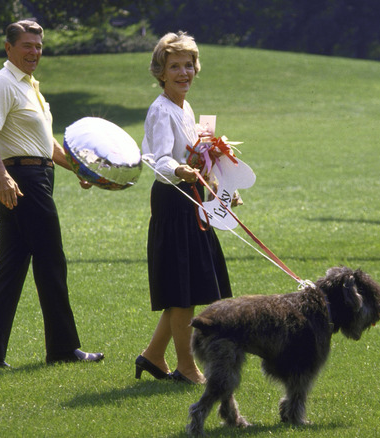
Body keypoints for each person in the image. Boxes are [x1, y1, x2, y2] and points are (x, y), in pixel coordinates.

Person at [0, 20, 104, 370]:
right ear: (8, 48)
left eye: (39, 47)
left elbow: (48, 146)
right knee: (51, 261)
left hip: (34, 176)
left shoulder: (31, 87)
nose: (34, 53)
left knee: (12, 267)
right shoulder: (3, 83)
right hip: (21, 180)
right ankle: (63, 348)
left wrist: (80, 169)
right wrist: (2, 176)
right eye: (27, 46)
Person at [135, 31, 232, 385]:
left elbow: (200, 159)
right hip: (173, 203)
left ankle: (152, 356)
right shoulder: (160, 111)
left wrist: (220, 189)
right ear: (161, 72)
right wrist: (179, 170)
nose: (183, 72)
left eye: (188, 65)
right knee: (182, 295)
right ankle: (186, 367)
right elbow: (157, 159)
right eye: (174, 66)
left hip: (191, 200)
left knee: (185, 289)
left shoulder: (186, 108)